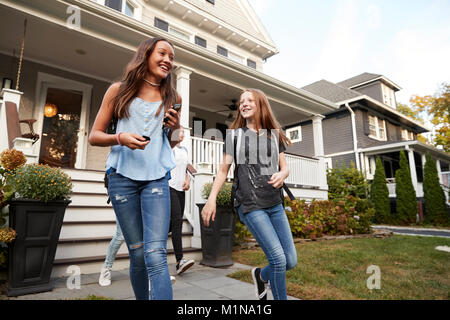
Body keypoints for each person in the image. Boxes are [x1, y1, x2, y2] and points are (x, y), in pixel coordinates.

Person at [89, 36, 182, 300]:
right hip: (122, 178)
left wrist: (175, 128)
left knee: (156, 253)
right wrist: (121, 138)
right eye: (162, 53)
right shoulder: (118, 90)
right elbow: (94, 136)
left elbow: (171, 144)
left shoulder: (173, 97)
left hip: (156, 179)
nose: (168, 60)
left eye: (172, 58)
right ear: (146, 54)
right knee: (138, 252)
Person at [201, 88, 297, 300]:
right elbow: (223, 170)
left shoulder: (274, 135)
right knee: (279, 260)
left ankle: (261, 276)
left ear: (260, 104)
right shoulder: (234, 136)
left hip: (274, 203)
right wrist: (211, 199)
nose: (243, 104)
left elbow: (285, 167)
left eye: (249, 100)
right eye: (241, 101)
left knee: (290, 261)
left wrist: (282, 174)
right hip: (250, 205)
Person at [168, 129, 195, 275]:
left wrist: (187, 179)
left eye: (183, 133)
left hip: (180, 190)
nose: (182, 135)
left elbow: (185, 168)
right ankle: (180, 260)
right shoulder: (168, 149)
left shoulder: (184, 149)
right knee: (177, 221)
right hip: (169, 187)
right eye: (180, 132)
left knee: (171, 225)